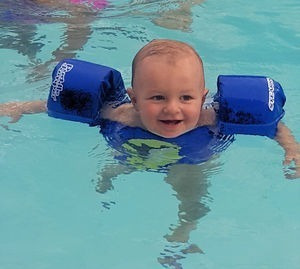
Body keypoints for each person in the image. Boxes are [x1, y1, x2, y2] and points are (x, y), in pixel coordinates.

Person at [0, 39, 299, 178]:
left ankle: (183, 233)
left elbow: (270, 125)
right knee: (118, 168)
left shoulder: (212, 117)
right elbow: (58, 107)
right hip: (133, 151)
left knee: (190, 193)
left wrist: (291, 148)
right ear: (134, 98)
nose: (173, 109)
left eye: (186, 98)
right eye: (157, 98)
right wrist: (20, 107)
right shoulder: (118, 113)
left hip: (192, 162)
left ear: (203, 96)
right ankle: (111, 177)